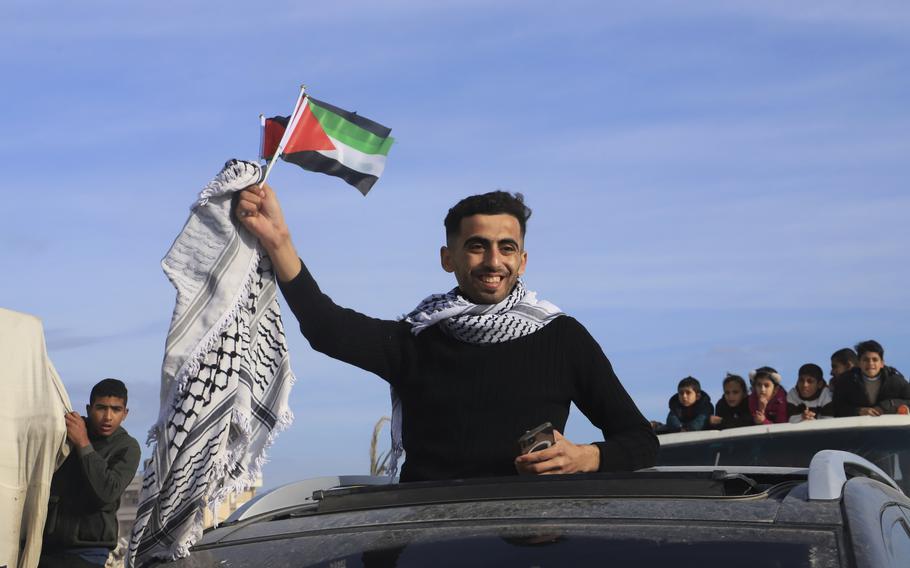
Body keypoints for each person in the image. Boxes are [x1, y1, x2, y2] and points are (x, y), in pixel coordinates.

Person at [235, 184, 658, 481]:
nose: (494, 261)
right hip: (428, 537)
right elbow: (326, 327)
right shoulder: (417, 340)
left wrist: (586, 457)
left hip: (531, 542)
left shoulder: (563, 337)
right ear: (448, 258)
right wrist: (279, 241)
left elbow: (641, 441)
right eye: (477, 246)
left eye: (506, 248)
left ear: (523, 260)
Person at [40, 378, 141, 568]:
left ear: (125, 414)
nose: (108, 417)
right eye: (101, 408)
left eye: (116, 409)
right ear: (89, 409)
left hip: (88, 552)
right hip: (46, 547)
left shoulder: (127, 447)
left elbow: (107, 492)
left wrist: (83, 444)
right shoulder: (65, 432)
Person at [833, 340, 910, 417]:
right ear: (859, 363)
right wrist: (858, 411)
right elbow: (836, 408)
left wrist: (887, 405)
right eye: (866, 360)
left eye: (875, 359)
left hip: (890, 427)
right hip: (856, 427)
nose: (870, 363)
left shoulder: (895, 381)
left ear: (882, 363)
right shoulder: (846, 382)